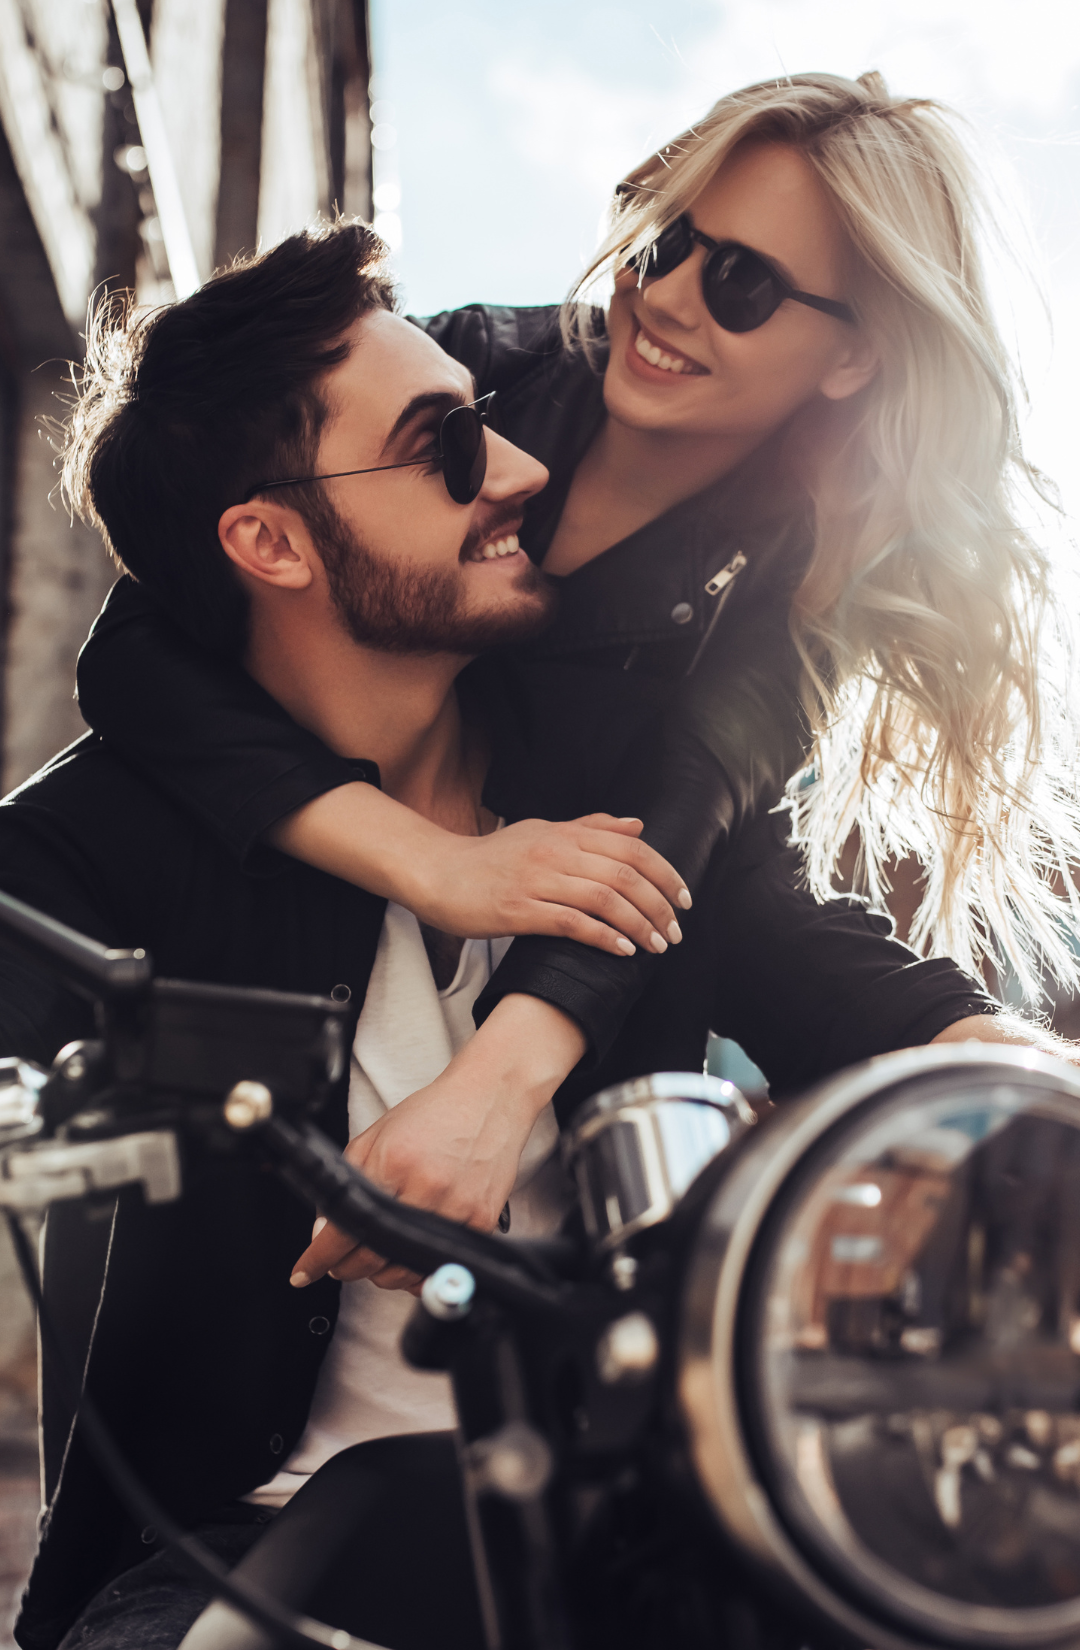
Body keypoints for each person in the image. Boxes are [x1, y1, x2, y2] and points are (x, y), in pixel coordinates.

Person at [2, 221, 1033, 1650]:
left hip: (653, 1537)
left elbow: (836, 966)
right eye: (444, 447)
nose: (524, 471)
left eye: (487, 423)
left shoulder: (627, 777)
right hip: (248, 1548)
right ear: (268, 540)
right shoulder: (80, 850)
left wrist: (1015, 1066)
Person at [72, 68, 1080, 1151]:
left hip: (546, 1020)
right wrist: (430, 862)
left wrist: (494, 1093)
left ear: (853, 355)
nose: (668, 298)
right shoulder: (475, 370)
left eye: (742, 283)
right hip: (302, 933)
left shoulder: (797, 588)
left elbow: (676, 847)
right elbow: (142, 644)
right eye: (667, 242)